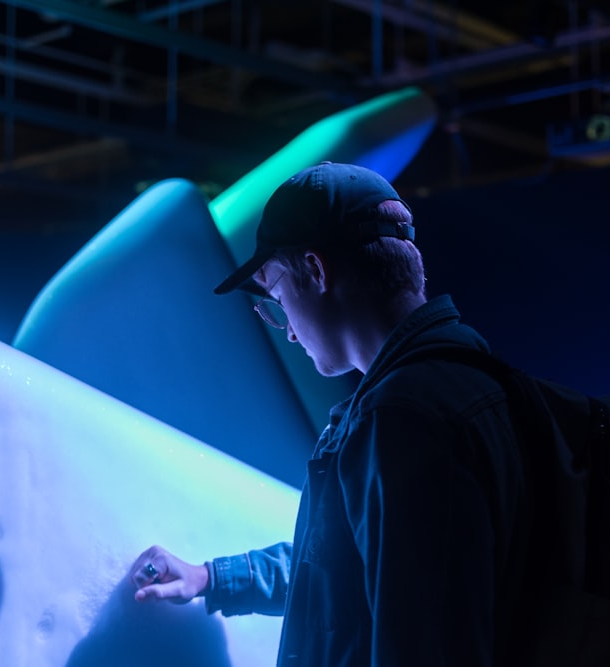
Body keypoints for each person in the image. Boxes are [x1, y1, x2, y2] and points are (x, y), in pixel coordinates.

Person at [128, 162, 526, 665]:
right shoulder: (485, 399)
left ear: (316, 271)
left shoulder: (403, 421)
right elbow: (355, 563)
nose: (288, 331)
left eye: (277, 298)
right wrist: (212, 578)